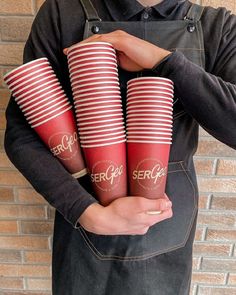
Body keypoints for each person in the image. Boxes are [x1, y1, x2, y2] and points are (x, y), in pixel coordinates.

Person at [4, 0, 236, 294]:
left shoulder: (217, 27)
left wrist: (164, 61)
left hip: (169, 230)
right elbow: (20, 134)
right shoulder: (63, 11)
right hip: (85, 222)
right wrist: (85, 211)